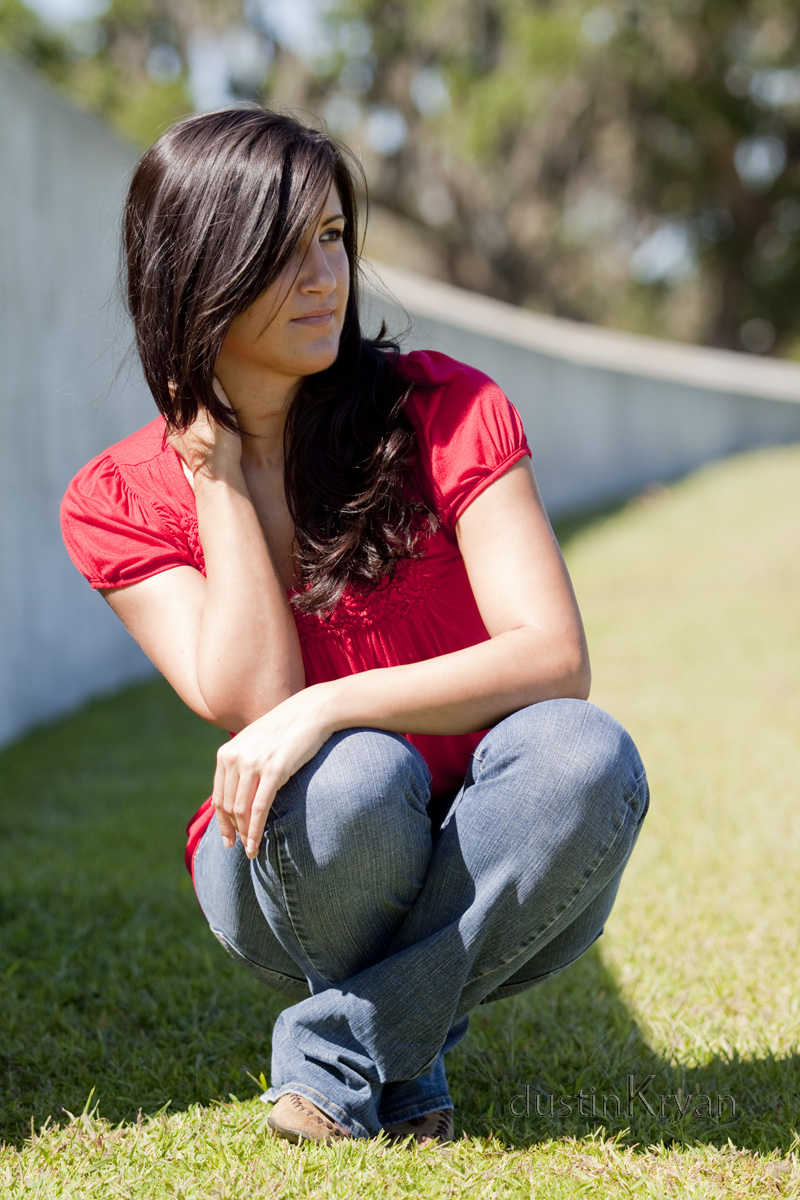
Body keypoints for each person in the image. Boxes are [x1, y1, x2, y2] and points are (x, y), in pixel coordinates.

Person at [60, 106, 649, 1148]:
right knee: (353, 773)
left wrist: (333, 699)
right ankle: (399, 1042)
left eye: (331, 237)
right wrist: (218, 472)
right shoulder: (117, 499)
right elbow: (251, 705)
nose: (324, 276)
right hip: (293, 854)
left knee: (585, 756)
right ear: (197, 269)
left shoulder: (445, 410)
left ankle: (344, 1055)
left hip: (497, 844)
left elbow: (552, 656)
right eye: (283, 252)